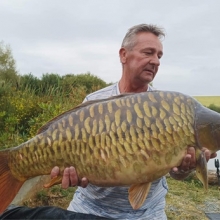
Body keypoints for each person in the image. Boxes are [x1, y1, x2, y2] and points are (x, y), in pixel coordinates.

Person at [0, 24, 217, 220]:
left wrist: (183, 169)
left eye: (160, 55)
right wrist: (71, 176)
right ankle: (13, 164)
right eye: (148, 52)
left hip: (148, 213)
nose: (156, 60)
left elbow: (176, 174)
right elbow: (75, 173)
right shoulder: (94, 102)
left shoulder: (170, 108)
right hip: (89, 210)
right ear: (124, 54)